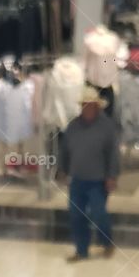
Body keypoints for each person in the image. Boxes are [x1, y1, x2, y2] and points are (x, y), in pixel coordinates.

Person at [58, 87, 120, 263]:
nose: (87, 109)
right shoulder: (73, 126)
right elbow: (65, 149)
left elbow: (113, 154)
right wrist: (62, 169)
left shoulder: (107, 127)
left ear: (97, 106)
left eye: (91, 105)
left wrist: (112, 176)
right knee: (76, 215)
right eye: (84, 105)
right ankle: (81, 249)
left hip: (98, 181)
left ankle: (106, 242)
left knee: (99, 213)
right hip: (77, 179)